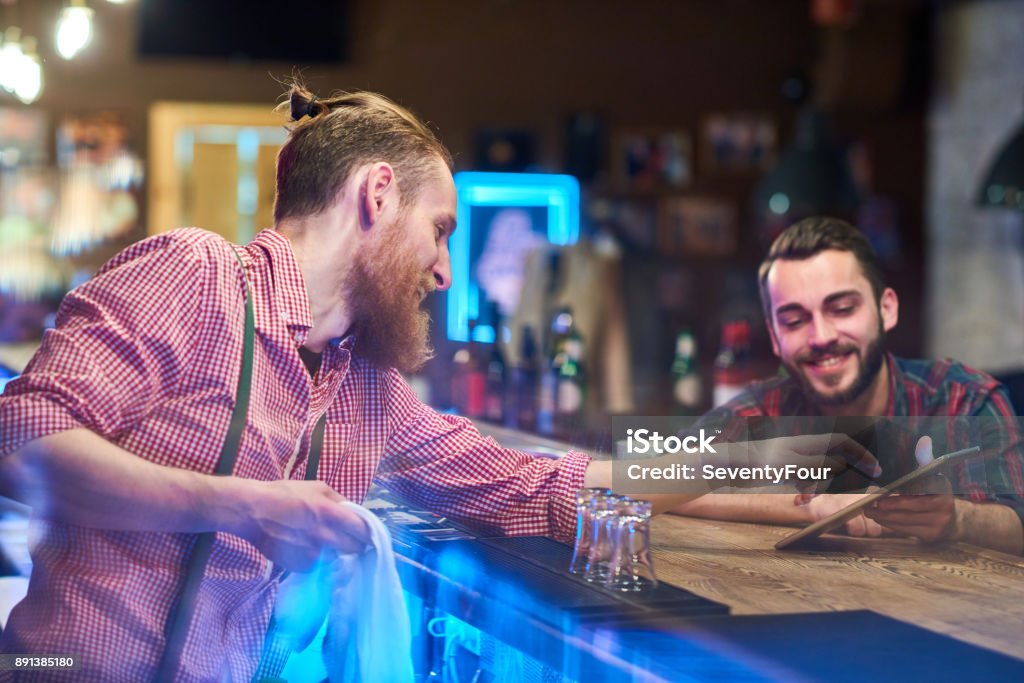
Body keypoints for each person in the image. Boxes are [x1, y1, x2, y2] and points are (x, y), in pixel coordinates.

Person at [0, 84, 872, 681]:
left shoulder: (364, 389)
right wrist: (240, 503)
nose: (446, 270)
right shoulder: (194, 275)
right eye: (442, 229)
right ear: (378, 192)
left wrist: (786, 470)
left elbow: (544, 481)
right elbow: (19, 436)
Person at [673, 217, 1024, 555]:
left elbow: (1016, 524)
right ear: (775, 338)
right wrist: (807, 507)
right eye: (794, 321)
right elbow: (646, 477)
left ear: (886, 309)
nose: (821, 337)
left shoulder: (964, 399)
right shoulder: (765, 407)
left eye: (841, 309)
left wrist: (957, 519)